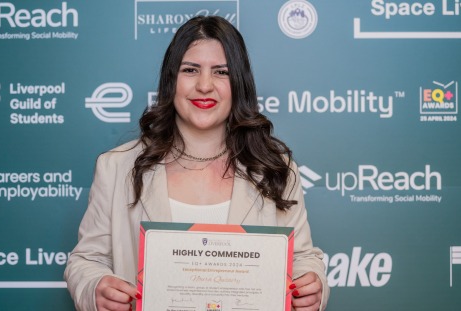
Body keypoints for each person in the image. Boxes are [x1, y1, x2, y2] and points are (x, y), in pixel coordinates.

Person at [65, 15, 329, 311]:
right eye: (190, 70)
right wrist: (95, 288)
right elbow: (87, 261)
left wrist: (311, 286)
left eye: (221, 72)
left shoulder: (275, 167)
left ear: (239, 83)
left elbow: (303, 258)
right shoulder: (117, 167)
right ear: (171, 80)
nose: (205, 85)